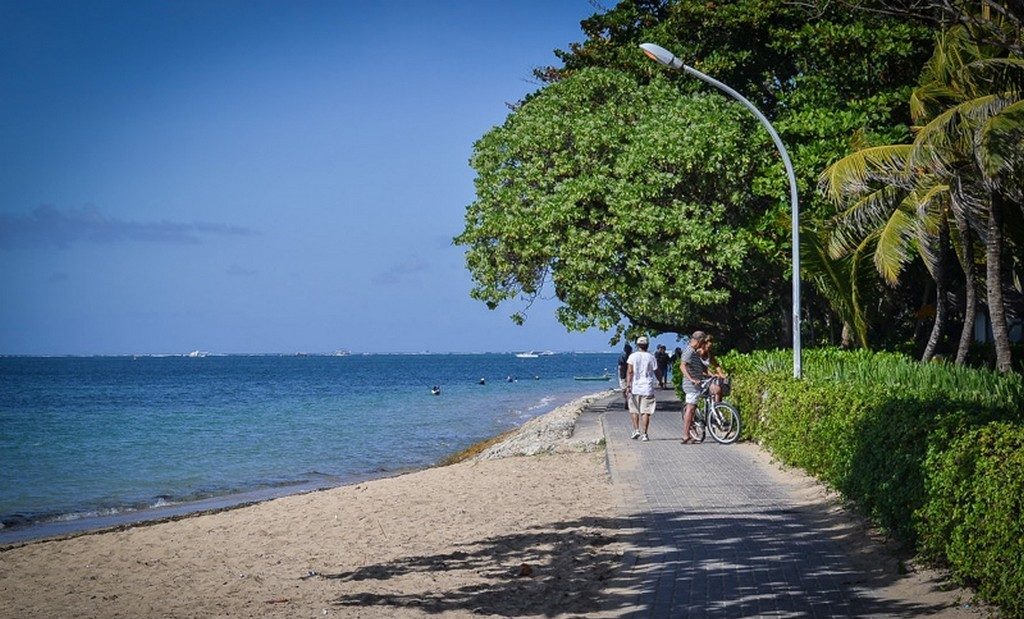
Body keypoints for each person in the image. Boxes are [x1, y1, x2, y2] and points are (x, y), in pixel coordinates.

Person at [679, 331, 714, 444]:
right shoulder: (688, 351)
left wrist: (711, 374)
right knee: (690, 409)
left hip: (696, 384)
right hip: (691, 386)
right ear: (699, 341)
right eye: (702, 342)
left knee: (693, 409)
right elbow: (682, 366)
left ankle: (691, 432)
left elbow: (700, 367)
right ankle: (685, 435)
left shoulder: (694, 352)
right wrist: (691, 379)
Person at [626, 336, 658, 441]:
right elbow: (656, 370)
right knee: (646, 411)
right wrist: (661, 382)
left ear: (637, 345)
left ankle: (636, 430)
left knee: (634, 410)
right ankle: (644, 434)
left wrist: (628, 385)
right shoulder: (651, 357)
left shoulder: (632, 356)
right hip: (647, 387)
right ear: (647, 345)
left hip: (635, 387)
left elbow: (630, 371)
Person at [617, 343, 633, 410]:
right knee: (625, 388)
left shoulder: (630, 356)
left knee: (625, 388)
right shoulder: (623, 356)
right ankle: (627, 400)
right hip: (624, 373)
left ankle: (627, 400)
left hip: (625, 372)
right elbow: (622, 367)